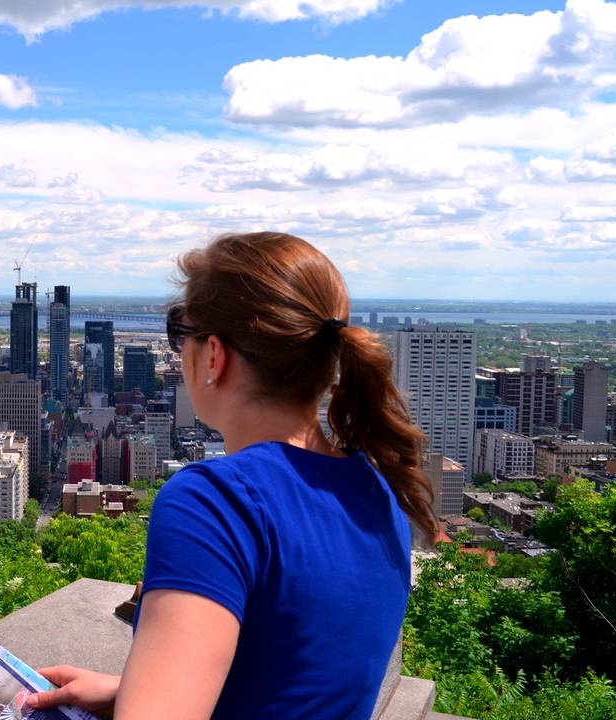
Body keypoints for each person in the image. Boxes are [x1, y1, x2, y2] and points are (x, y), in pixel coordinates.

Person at [26, 232, 436, 719]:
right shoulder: (380, 488)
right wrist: (139, 690)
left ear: (215, 356)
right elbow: (298, 679)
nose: (179, 352)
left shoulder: (217, 502)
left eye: (181, 333)